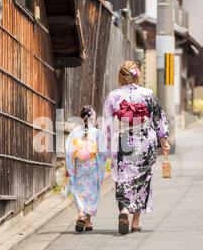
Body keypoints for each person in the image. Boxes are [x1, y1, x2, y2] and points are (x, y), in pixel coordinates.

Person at [103, 60, 170, 235]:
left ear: (121, 76)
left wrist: (107, 144)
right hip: (144, 140)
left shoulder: (113, 96)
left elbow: (108, 123)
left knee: (123, 177)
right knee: (142, 178)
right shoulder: (148, 94)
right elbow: (158, 117)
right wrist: (164, 140)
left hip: (123, 139)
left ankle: (124, 210)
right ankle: (135, 221)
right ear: (137, 75)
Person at [66, 105, 106, 233]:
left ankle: (81, 214)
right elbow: (103, 153)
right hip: (92, 166)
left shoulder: (75, 132)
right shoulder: (97, 133)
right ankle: (88, 222)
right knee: (91, 193)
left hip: (79, 167)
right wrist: (101, 168)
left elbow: (69, 152)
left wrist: (70, 168)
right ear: (93, 118)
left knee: (79, 191)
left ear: (81, 117)